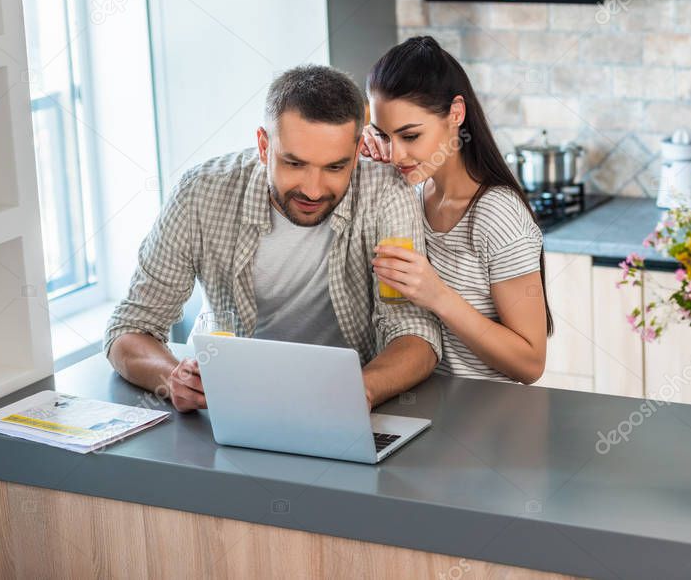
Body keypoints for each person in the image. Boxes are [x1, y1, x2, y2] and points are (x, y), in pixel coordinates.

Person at [104, 65, 441, 412]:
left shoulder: (385, 193)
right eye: (294, 164)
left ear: (356, 155)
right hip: (228, 404)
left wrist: (361, 391)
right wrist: (172, 377)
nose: (313, 190)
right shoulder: (200, 193)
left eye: (335, 167)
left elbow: (415, 334)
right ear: (264, 146)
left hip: (344, 405)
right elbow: (130, 328)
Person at [362, 36, 550, 384]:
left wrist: (438, 296)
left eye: (410, 136)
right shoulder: (410, 192)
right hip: (424, 409)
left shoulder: (497, 216)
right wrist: (359, 148)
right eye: (384, 136)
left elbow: (530, 363)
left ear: (456, 114)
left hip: (490, 421)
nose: (395, 155)